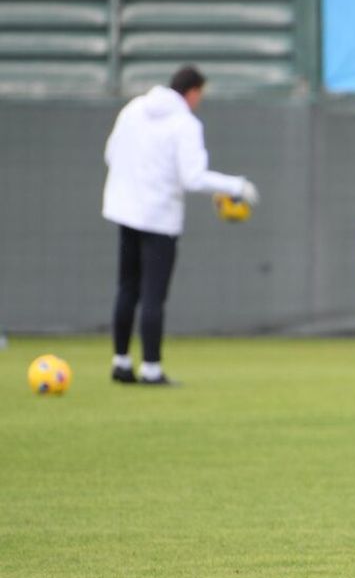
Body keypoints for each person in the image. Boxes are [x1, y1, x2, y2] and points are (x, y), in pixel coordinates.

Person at [101, 65, 259, 385]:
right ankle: (151, 369)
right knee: (153, 296)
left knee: (127, 288)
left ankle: (120, 362)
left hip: (125, 211)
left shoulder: (133, 109)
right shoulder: (185, 124)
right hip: (159, 218)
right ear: (193, 91)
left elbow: (110, 154)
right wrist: (235, 187)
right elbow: (192, 177)